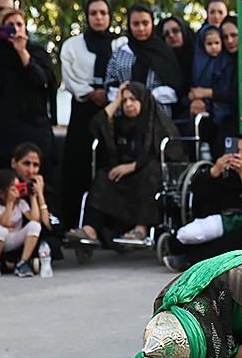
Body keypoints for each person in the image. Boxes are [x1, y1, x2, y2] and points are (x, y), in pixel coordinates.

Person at [67, 82, 178, 246]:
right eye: (125, 101)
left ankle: (141, 229)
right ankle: (90, 229)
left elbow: (168, 152)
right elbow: (96, 125)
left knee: (151, 172)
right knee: (104, 176)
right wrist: (116, 100)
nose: (128, 104)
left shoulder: (157, 122)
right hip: (123, 174)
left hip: (147, 173)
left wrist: (133, 166)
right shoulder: (120, 123)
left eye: (133, 99)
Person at [60, 0, 124, 229]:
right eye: (94, 13)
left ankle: (108, 227)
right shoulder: (72, 45)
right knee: (78, 165)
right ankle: (74, 224)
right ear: (87, 16)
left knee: (110, 164)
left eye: (103, 13)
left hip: (112, 113)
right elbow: (70, 78)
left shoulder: (120, 44)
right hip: (83, 111)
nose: (99, 18)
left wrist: (108, 95)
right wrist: (90, 92)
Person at [166, 137, 242, 270]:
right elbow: (198, 195)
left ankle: (191, 260)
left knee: (237, 239)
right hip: (215, 223)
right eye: (236, 151)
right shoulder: (220, 172)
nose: (239, 155)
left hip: (241, 227)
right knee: (178, 239)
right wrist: (214, 171)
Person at [0, 9, 57, 169]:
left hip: (34, 130)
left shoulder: (37, 53)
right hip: (4, 133)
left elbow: (42, 81)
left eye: (19, 24)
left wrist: (22, 52)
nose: (15, 29)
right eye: (9, 26)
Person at [105, 5, 183, 116]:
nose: (141, 29)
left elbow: (176, 88)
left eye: (145, 23)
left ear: (152, 24)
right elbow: (110, 83)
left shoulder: (163, 52)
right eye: (136, 24)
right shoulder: (120, 53)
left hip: (157, 116)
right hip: (124, 116)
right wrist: (124, 96)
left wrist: (150, 95)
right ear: (129, 25)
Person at [11, 142, 64, 264]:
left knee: (51, 243)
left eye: (35, 165)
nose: (31, 171)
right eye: (26, 164)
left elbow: (49, 226)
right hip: (10, 237)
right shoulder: (3, 185)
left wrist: (39, 195)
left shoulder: (46, 190)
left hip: (35, 236)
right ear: (14, 163)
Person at [0, 169, 42, 278]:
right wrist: (10, 202)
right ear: (1, 193)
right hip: (0, 241)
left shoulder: (21, 204)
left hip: (15, 237)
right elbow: (5, 222)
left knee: (35, 226)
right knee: (1, 230)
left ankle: (23, 262)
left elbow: (35, 218)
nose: (18, 191)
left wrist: (33, 197)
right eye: (14, 189)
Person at [189, 27, 233, 127]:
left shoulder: (227, 62)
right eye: (209, 44)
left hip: (224, 109)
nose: (213, 47)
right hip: (203, 107)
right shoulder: (198, 63)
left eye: (217, 43)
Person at [159, 15, 195, 117]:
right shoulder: (160, 62)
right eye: (166, 34)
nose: (171, 35)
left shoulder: (197, 57)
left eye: (175, 31)